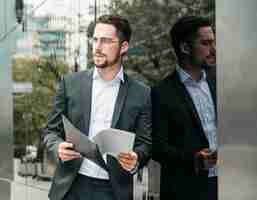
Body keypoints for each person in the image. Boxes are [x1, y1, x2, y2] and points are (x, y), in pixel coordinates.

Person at [44, 14, 152, 200]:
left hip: (112, 190)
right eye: (95, 39)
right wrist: (58, 147)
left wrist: (136, 159)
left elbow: (145, 143)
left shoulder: (141, 93)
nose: (97, 47)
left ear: (123, 47)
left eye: (106, 41)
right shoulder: (70, 83)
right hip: (70, 187)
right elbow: (50, 132)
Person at [151, 15, 217, 200]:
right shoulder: (161, 93)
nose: (213, 50)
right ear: (185, 47)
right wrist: (194, 159)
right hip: (188, 190)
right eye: (206, 43)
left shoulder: (223, 83)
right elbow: (157, 147)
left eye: (213, 42)